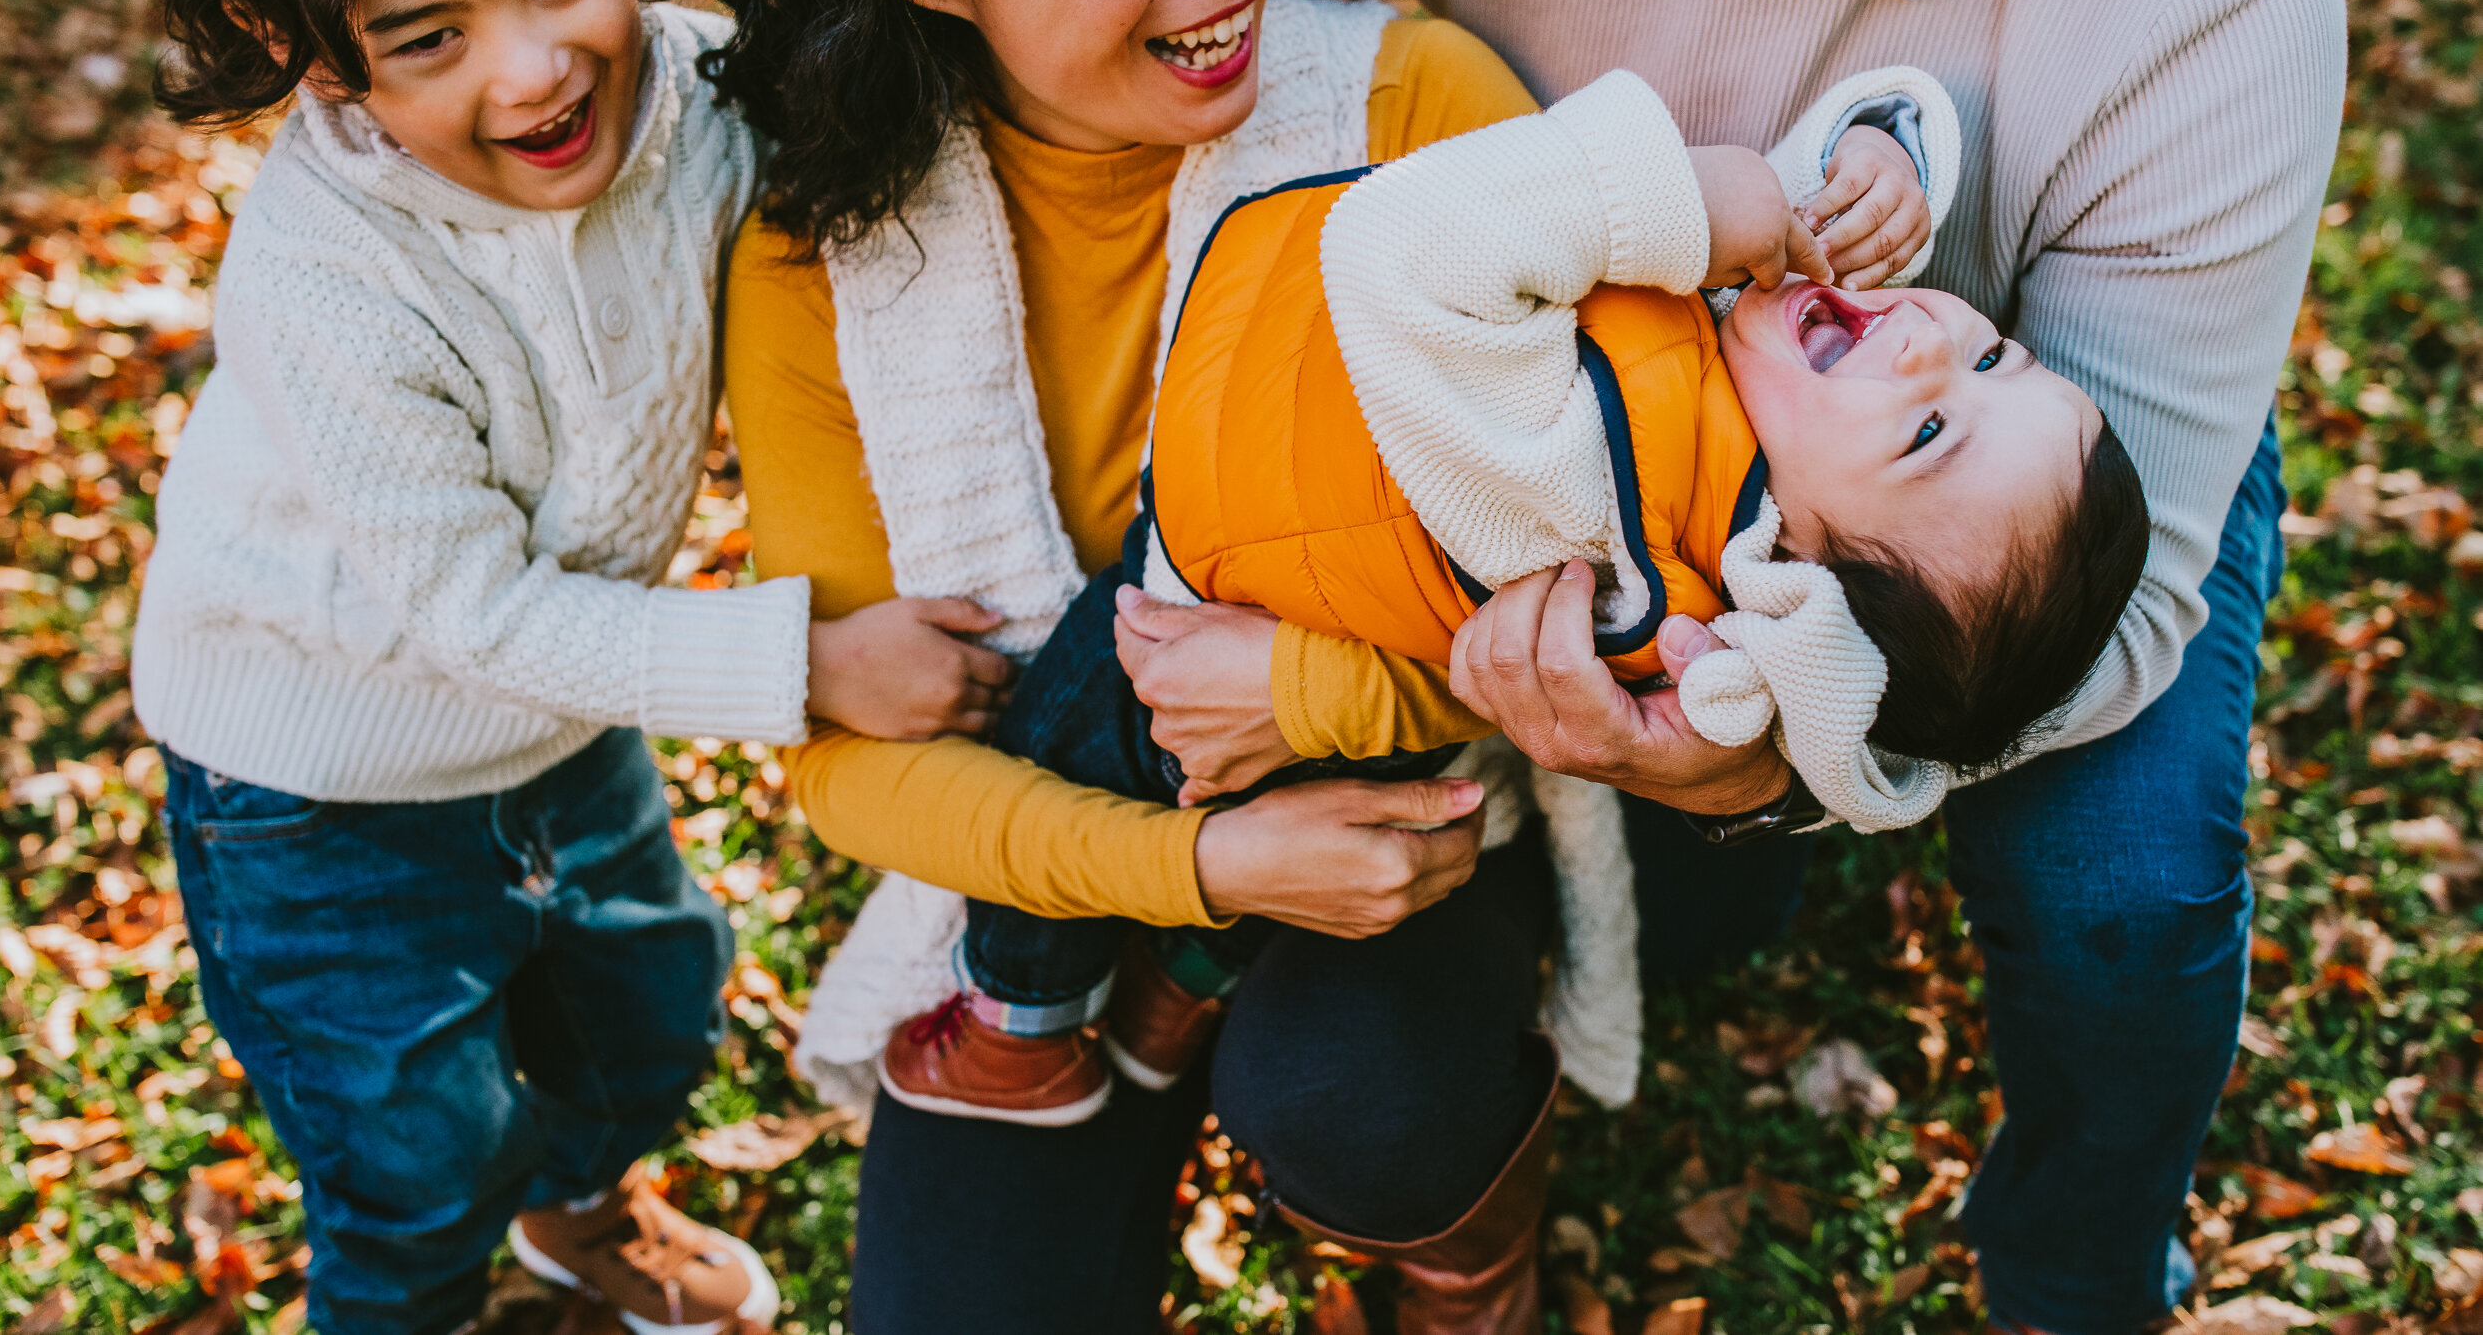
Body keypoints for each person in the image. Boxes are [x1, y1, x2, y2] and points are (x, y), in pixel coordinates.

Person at [703, 0, 1921, 1322]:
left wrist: (1314, 690)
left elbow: (1621, 578)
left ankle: (1464, 1258)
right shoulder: (822, 257)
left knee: (1367, 1100)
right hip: (1064, 865)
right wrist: (1205, 873)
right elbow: (859, 772)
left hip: (1428, 806)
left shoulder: (1409, 109)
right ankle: (1126, 1015)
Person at [1265, 0, 2348, 1328]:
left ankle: (2081, 1264)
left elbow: (2119, 609)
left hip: (2058, 467)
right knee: (1644, 941)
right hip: (1591, 457)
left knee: (2122, 883)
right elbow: (1204, 136)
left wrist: (1756, 759)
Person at [133, 0, 1008, 1328]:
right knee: (412, 1144)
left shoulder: (696, 99)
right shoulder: (332, 281)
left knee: (648, 1007)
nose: (535, 70)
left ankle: (583, 1220)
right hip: (314, 783)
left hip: (557, 719)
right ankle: (425, 1290)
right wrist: (814, 662)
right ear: (304, 56)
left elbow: (866, 157)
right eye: (428, 37)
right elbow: (468, 614)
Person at [892, 57, 2148, 1128]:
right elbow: (1787, 199)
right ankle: (1185, 982)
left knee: (1061, 742)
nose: (1934, 338)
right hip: (1314, 560)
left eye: (1929, 430)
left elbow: (1404, 250)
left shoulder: (1603, 490)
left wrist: (1679, 195)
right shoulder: (1745, 426)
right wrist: (1879, 152)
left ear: (1801, 573)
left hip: (1218, 568)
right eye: (1996, 354)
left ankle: (1022, 1030)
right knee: (1304, 803)